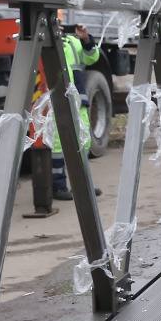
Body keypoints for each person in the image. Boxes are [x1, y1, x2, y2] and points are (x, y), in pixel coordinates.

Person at [51, 22, 102, 201]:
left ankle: (83, 185)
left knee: (84, 141)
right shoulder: (46, 42)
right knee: (58, 145)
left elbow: (92, 57)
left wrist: (86, 39)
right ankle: (58, 186)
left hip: (78, 100)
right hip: (57, 100)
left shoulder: (73, 41)